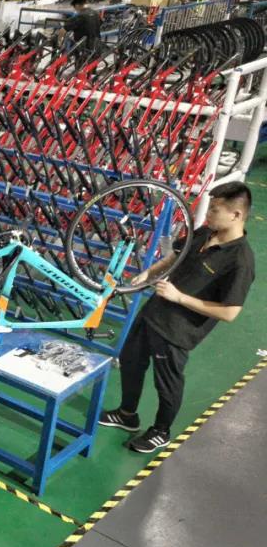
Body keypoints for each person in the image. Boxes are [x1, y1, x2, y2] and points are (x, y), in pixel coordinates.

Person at [100, 181, 255, 453]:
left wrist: (179, 297)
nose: (208, 214)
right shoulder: (205, 232)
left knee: (167, 382)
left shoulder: (240, 260)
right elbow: (175, 257)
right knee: (131, 361)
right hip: (154, 312)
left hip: (177, 331)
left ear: (236, 215)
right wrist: (148, 273)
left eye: (215, 210)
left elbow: (230, 312)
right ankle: (127, 414)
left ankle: (161, 431)